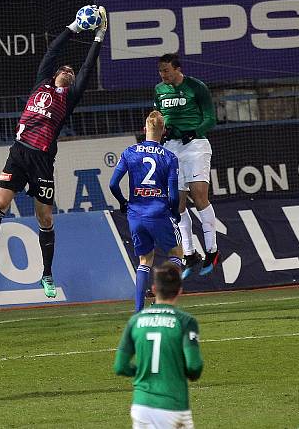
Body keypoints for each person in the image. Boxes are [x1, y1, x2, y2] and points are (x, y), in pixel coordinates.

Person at [0, 5, 108, 298]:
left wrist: (99, 36)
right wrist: (74, 27)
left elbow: (86, 68)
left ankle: (46, 274)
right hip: (19, 153)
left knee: (44, 218)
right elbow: (53, 52)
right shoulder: (42, 82)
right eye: (65, 69)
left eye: (71, 71)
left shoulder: (69, 98)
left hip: (43, 161)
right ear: (57, 74)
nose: (69, 71)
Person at [114, 262, 203, 428]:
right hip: (173, 406)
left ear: (154, 289)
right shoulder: (185, 321)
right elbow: (194, 367)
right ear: (180, 291)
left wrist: (142, 370)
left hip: (142, 406)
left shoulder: (135, 321)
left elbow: (120, 366)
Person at [109, 111, 183, 312]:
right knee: (177, 254)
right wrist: (174, 213)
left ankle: (138, 311)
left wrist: (124, 203)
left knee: (144, 260)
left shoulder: (129, 152)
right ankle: (163, 301)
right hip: (159, 213)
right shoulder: (169, 157)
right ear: (164, 132)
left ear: (144, 129)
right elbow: (174, 195)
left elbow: (113, 184)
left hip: (136, 214)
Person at [154, 53, 219, 279]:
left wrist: (196, 130)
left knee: (199, 194)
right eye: (161, 71)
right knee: (176, 203)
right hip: (172, 148)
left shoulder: (196, 87)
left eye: (166, 71)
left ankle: (212, 250)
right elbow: (160, 118)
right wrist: (163, 131)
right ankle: (190, 254)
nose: (163, 75)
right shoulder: (159, 91)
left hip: (195, 145)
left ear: (177, 69)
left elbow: (211, 118)